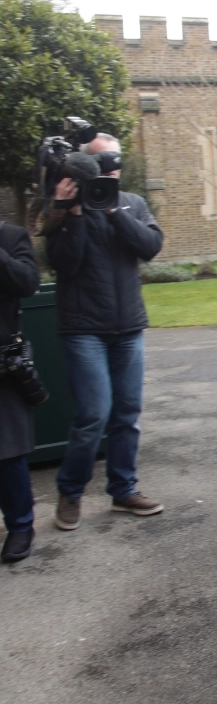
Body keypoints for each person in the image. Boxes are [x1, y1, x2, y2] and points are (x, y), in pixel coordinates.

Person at [45, 133, 164, 531]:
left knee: (127, 413)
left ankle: (123, 489)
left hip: (128, 324)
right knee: (93, 415)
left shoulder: (132, 203)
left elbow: (150, 246)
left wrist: (114, 211)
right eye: (103, 161)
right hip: (83, 329)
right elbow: (63, 264)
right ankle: (71, 491)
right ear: (86, 166)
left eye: (117, 160)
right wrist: (72, 212)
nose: (112, 167)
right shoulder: (67, 208)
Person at [0, 221, 41, 562]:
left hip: (2, 362)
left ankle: (20, 525)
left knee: (8, 451)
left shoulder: (10, 236)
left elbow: (28, 282)